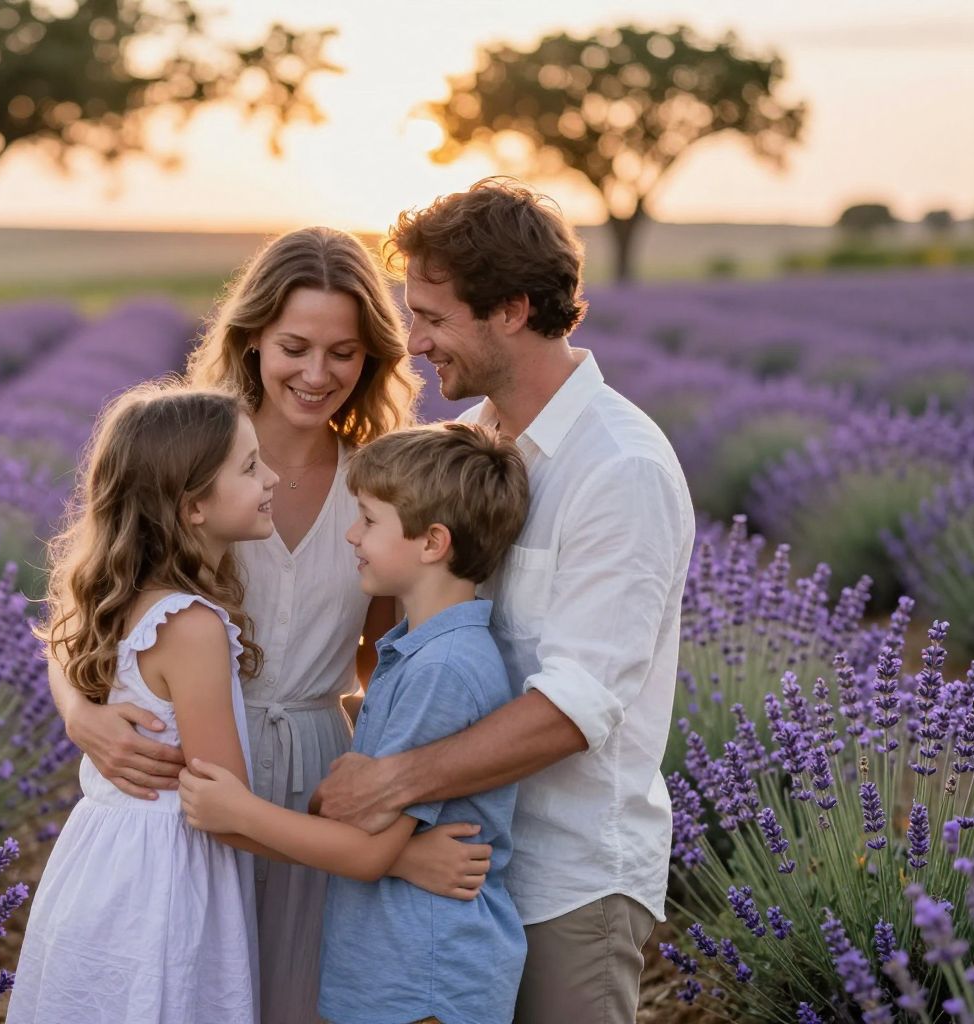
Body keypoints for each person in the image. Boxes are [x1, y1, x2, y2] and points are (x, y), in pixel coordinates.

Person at [46, 227, 493, 1023]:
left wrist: (383, 819)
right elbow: (87, 611)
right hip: (195, 771)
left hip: (319, 771)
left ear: (372, 360)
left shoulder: (378, 483)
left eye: (344, 353)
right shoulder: (195, 460)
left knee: (293, 997)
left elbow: (380, 661)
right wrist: (83, 717)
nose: (317, 374)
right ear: (251, 339)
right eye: (294, 346)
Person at [311, 179, 697, 1024]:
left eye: (435, 318)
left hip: (567, 879)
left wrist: (388, 783)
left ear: (514, 309)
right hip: (450, 866)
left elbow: (575, 707)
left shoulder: (618, 468)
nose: (414, 343)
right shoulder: (470, 450)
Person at [181, 421, 531, 1024]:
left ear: (432, 543)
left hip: (425, 976)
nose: (351, 534)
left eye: (368, 520)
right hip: (396, 967)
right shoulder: (414, 650)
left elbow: (370, 852)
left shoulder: (442, 670)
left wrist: (238, 811)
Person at [7, 383, 279, 1024]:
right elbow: (226, 809)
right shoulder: (190, 626)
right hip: (162, 886)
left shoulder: (129, 596)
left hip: (101, 866)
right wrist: (369, 856)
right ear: (193, 509)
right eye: (248, 467)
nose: (271, 477)